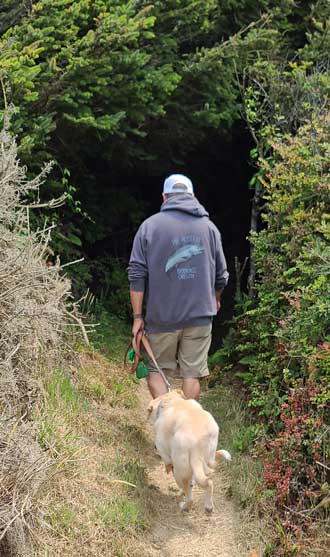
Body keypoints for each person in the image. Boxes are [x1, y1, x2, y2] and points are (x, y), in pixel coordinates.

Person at [128, 174, 229, 400]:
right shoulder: (209, 228)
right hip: (200, 315)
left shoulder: (149, 227)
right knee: (192, 375)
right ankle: (186, 427)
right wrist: (216, 296)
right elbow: (221, 275)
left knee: (157, 370)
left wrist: (137, 317)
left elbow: (136, 274)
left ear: (164, 197)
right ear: (192, 196)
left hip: (162, 316)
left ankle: (168, 426)